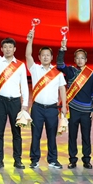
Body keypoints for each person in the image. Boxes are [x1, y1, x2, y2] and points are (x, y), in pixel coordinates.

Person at [0, 18, 29, 170]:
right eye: (5, 47)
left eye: (10, 47)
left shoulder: (20, 65)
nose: (7, 49)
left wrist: (25, 104)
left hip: (15, 102)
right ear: (2, 49)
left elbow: (24, 85)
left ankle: (18, 160)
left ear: (14, 49)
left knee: (16, 133)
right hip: (1, 101)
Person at [25, 31, 67, 169]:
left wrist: (64, 106)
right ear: (39, 57)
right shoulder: (35, 69)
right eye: (43, 55)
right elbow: (28, 55)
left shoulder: (57, 73)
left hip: (52, 109)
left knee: (51, 136)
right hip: (37, 108)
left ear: (51, 57)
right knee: (35, 135)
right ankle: (34, 159)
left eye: (48, 55)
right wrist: (30, 40)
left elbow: (62, 89)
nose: (45, 57)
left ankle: (53, 160)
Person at [57, 40, 93, 169]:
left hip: (86, 111)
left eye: (82, 58)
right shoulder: (71, 71)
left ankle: (86, 159)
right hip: (73, 109)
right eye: (77, 58)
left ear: (86, 60)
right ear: (74, 59)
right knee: (72, 136)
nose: (80, 60)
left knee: (86, 136)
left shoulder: (91, 74)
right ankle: (72, 159)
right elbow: (59, 64)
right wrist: (62, 49)